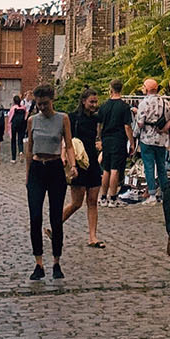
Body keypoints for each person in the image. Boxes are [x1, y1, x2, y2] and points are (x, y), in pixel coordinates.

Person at [23, 85, 75, 281]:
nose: (42, 108)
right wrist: (28, 174)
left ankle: (56, 261)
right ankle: (38, 263)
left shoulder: (62, 119)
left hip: (55, 169)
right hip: (37, 168)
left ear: (52, 101)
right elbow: (30, 148)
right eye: (39, 104)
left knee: (55, 217)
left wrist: (73, 164)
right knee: (35, 217)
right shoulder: (32, 121)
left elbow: (68, 144)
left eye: (45, 104)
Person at [63, 88, 105, 247]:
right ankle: (56, 225)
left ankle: (93, 236)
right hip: (79, 163)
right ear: (83, 101)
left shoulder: (96, 119)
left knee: (93, 200)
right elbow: (67, 141)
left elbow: (101, 136)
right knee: (76, 203)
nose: (94, 105)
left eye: (96, 101)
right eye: (91, 102)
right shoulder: (73, 118)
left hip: (93, 162)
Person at [136, 78, 170, 203]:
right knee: (161, 166)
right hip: (161, 139)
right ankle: (165, 193)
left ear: (146, 89)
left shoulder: (144, 103)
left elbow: (140, 123)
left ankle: (152, 194)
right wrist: (163, 130)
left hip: (147, 138)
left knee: (149, 166)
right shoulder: (165, 102)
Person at [99, 79, 135, 206]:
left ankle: (103, 197)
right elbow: (127, 126)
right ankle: (113, 197)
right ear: (121, 89)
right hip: (118, 139)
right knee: (115, 169)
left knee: (106, 169)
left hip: (106, 139)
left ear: (111, 89)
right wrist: (132, 142)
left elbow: (99, 124)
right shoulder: (124, 107)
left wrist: (100, 138)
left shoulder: (104, 106)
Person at [8, 94, 29, 163]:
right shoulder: (23, 108)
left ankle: (13, 158)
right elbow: (26, 117)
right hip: (21, 126)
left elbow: (10, 118)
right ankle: (21, 151)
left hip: (14, 125)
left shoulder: (13, 108)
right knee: (20, 140)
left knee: (13, 141)